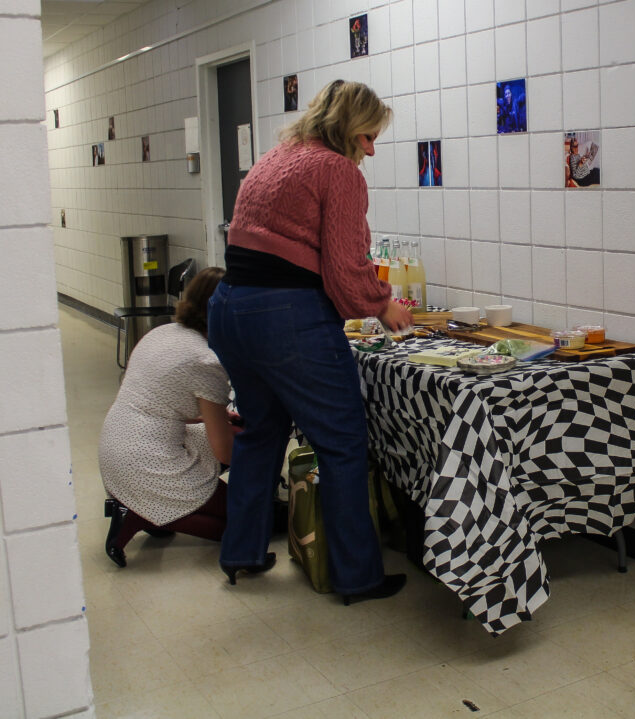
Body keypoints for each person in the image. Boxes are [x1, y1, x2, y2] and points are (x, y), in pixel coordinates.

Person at [207, 80, 412, 601]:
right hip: (285, 317)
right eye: (367, 136)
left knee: (261, 430)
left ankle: (242, 553)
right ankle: (357, 576)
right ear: (347, 128)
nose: (371, 149)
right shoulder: (336, 170)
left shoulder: (277, 157)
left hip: (229, 308)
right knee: (342, 444)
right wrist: (382, 302)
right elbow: (346, 271)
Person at [100, 267, 238, 568]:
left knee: (235, 434)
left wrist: (219, 417)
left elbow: (165, 403)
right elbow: (223, 450)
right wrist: (258, 469)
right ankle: (139, 514)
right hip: (145, 462)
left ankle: (150, 508)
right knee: (248, 524)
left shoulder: (162, 332)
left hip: (116, 446)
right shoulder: (206, 359)